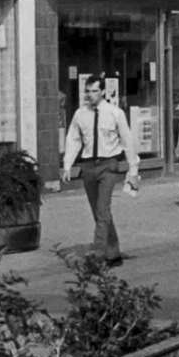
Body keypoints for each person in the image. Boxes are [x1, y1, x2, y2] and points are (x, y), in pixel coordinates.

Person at [61, 75, 140, 266]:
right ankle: (113, 253)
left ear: (103, 92)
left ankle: (97, 255)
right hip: (88, 166)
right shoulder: (80, 114)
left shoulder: (115, 113)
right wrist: (67, 165)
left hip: (108, 165)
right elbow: (73, 139)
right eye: (87, 91)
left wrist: (133, 169)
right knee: (97, 211)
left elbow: (127, 141)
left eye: (95, 91)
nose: (90, 95)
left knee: (103, 209)